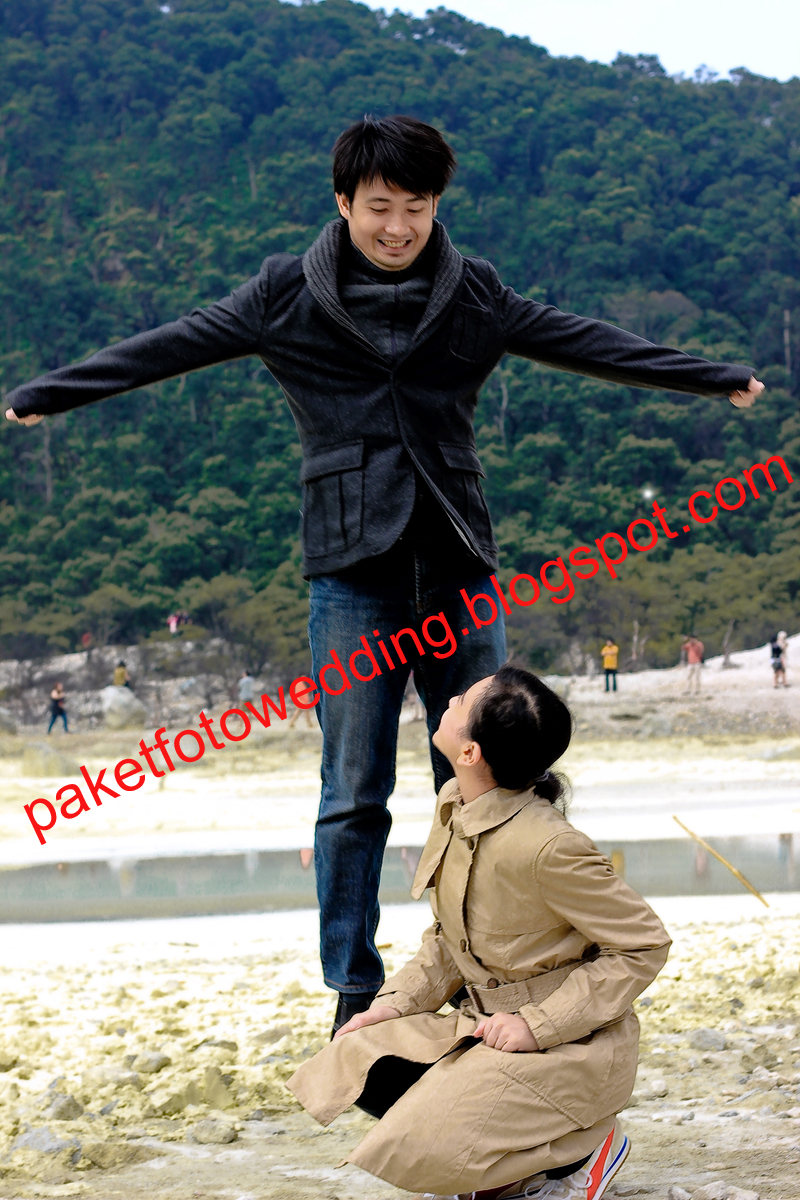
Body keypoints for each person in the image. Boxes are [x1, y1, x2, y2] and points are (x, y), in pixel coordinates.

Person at [3, 114, 761, 1030]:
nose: (398, 226)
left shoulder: (473, 291)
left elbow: (582, 340)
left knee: (496, 782)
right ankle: (353, 990)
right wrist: (49, 393)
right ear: (344, 203)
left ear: (437, 205)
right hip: (352, 572)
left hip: (459, 562)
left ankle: (492, 972)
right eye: (380, 207)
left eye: (417, 206)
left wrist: (710, 375)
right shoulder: (286, 293)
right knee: (353, 792)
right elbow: (176, 343)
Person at [288, 665, 671, 1200]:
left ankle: (584, 1149)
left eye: (462, 701)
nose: (449, 700)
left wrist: (536, 1026)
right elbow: (448, 941)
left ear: (470, 752)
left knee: (425, 1145)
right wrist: (392, 1007)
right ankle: (514, 1170)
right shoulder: (455, 805)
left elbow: (643, 944)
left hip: (568, 1047)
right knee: (357, 1059)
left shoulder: (550, 846)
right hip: (481, 1029)